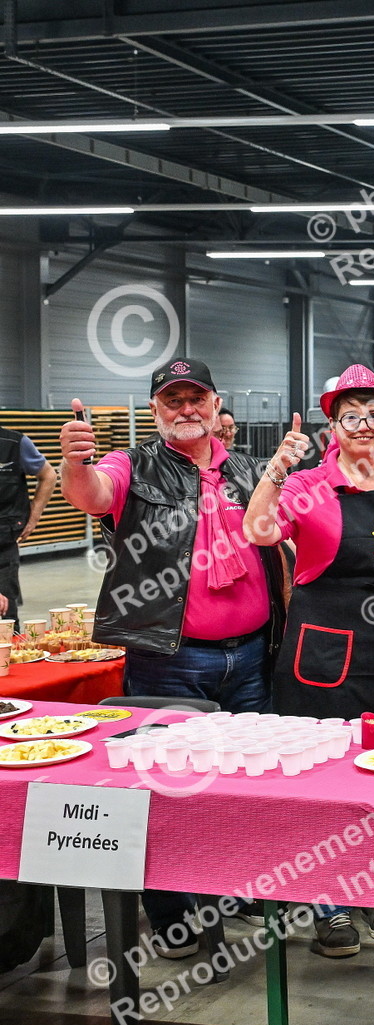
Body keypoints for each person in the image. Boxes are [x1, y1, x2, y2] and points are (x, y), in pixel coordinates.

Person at [58, 357, 287, 961]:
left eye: (196, 398)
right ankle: (170, 913)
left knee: (244, 786)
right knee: (166, 790)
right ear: (155, 409)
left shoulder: (247, 470)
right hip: (170, 660)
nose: (186, 409)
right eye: (172, 400)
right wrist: (74, 462)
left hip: (251, 658)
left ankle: (232, 892)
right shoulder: (132, 465)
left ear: (216, 404)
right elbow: (92, 493)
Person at [243, 364, 374, 957]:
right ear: (334, 423)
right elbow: (258, 530)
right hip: (326, 655)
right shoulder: (307, 483)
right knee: (327, 782)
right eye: (352, 416)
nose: (365, 425)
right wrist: (276, 468)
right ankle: (329, 905)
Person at [0, 424, 57, 629]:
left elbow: (48, 475)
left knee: (6, 617)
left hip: (4, 544)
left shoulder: (15, 443)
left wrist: (33, 517)